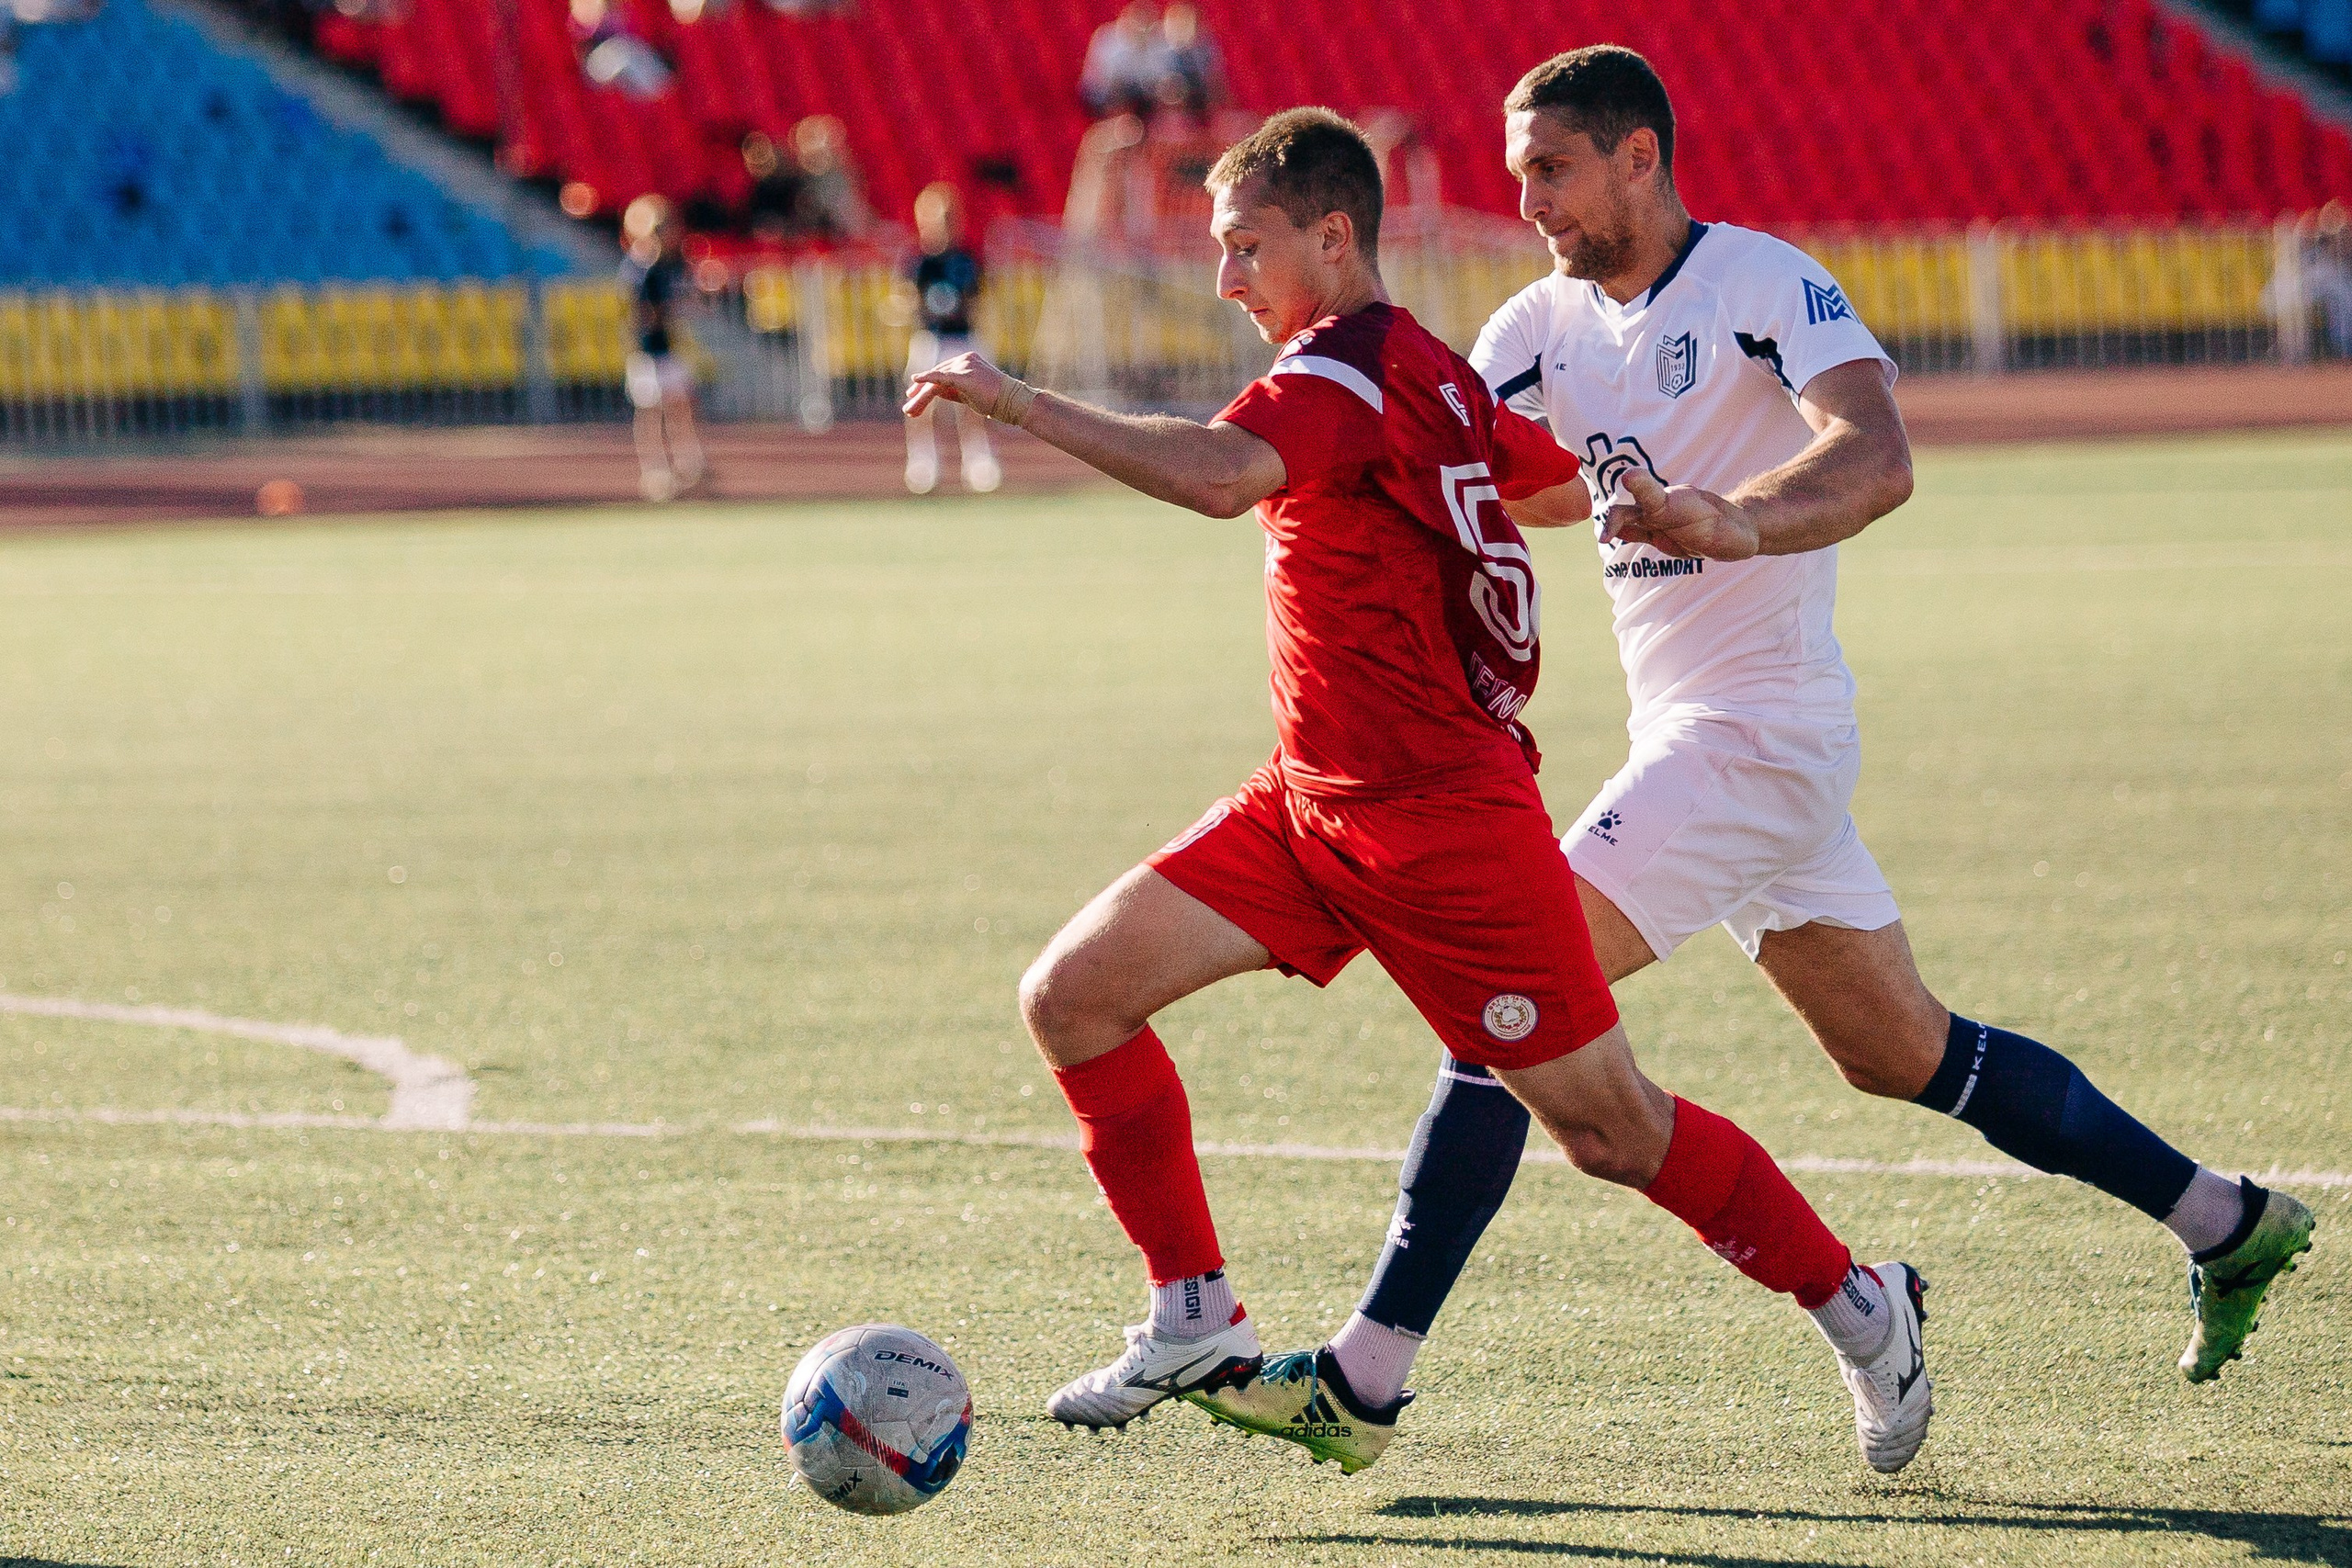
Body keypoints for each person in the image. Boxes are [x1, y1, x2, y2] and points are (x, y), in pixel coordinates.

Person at [1198, 45, 2317, 1474]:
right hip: (1695, 741)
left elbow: (1874, 452)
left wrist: (1733, 517)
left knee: (1507, 1006)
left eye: (1551, 167)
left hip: (1762, 728)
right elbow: (1476, 483)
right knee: (1902, 1050)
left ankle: (1363, 1376)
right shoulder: (1531, 327)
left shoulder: (1763, 282)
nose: (1525, 197)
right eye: (1516, 170)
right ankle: (2225, 1217)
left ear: (1639, 159)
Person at [906, 107, 1934, 1475]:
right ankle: (1194, 1312)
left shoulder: (1339, 371)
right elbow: (1544, 489)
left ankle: (1861, 1305)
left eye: (1244, 247)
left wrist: (1019, 398)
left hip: (1450, 826)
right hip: (1311, 802)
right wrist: (1628, 493)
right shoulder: (1435, 373)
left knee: (1610, 1126)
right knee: (1073, 996)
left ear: (1332, 240)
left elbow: (1223, 479)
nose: (1225, 280)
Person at [899, 184, 1000, 495]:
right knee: (921, 403)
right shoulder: (919, 262)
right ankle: (923, 460)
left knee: (975, 403)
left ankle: (978, 458)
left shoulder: (966, 259)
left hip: (963, 337)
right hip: (931, 338)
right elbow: (907, 298)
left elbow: (977, 297)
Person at [618, 194, 706, 502]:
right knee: (652, 412)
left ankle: (688, 465)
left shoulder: (665, 264)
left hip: (666, 349)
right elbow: (644, 313)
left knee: (681, 406)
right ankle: (654, 470)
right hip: (647, 351)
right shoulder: (642, 268)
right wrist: (672, 309)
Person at [1080, 1, 1167, 121]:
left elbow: (1157, 76)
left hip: (1138, 92)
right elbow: (1102, 78)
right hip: (1103, 91)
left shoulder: (1156, 40)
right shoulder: (1107, 37)